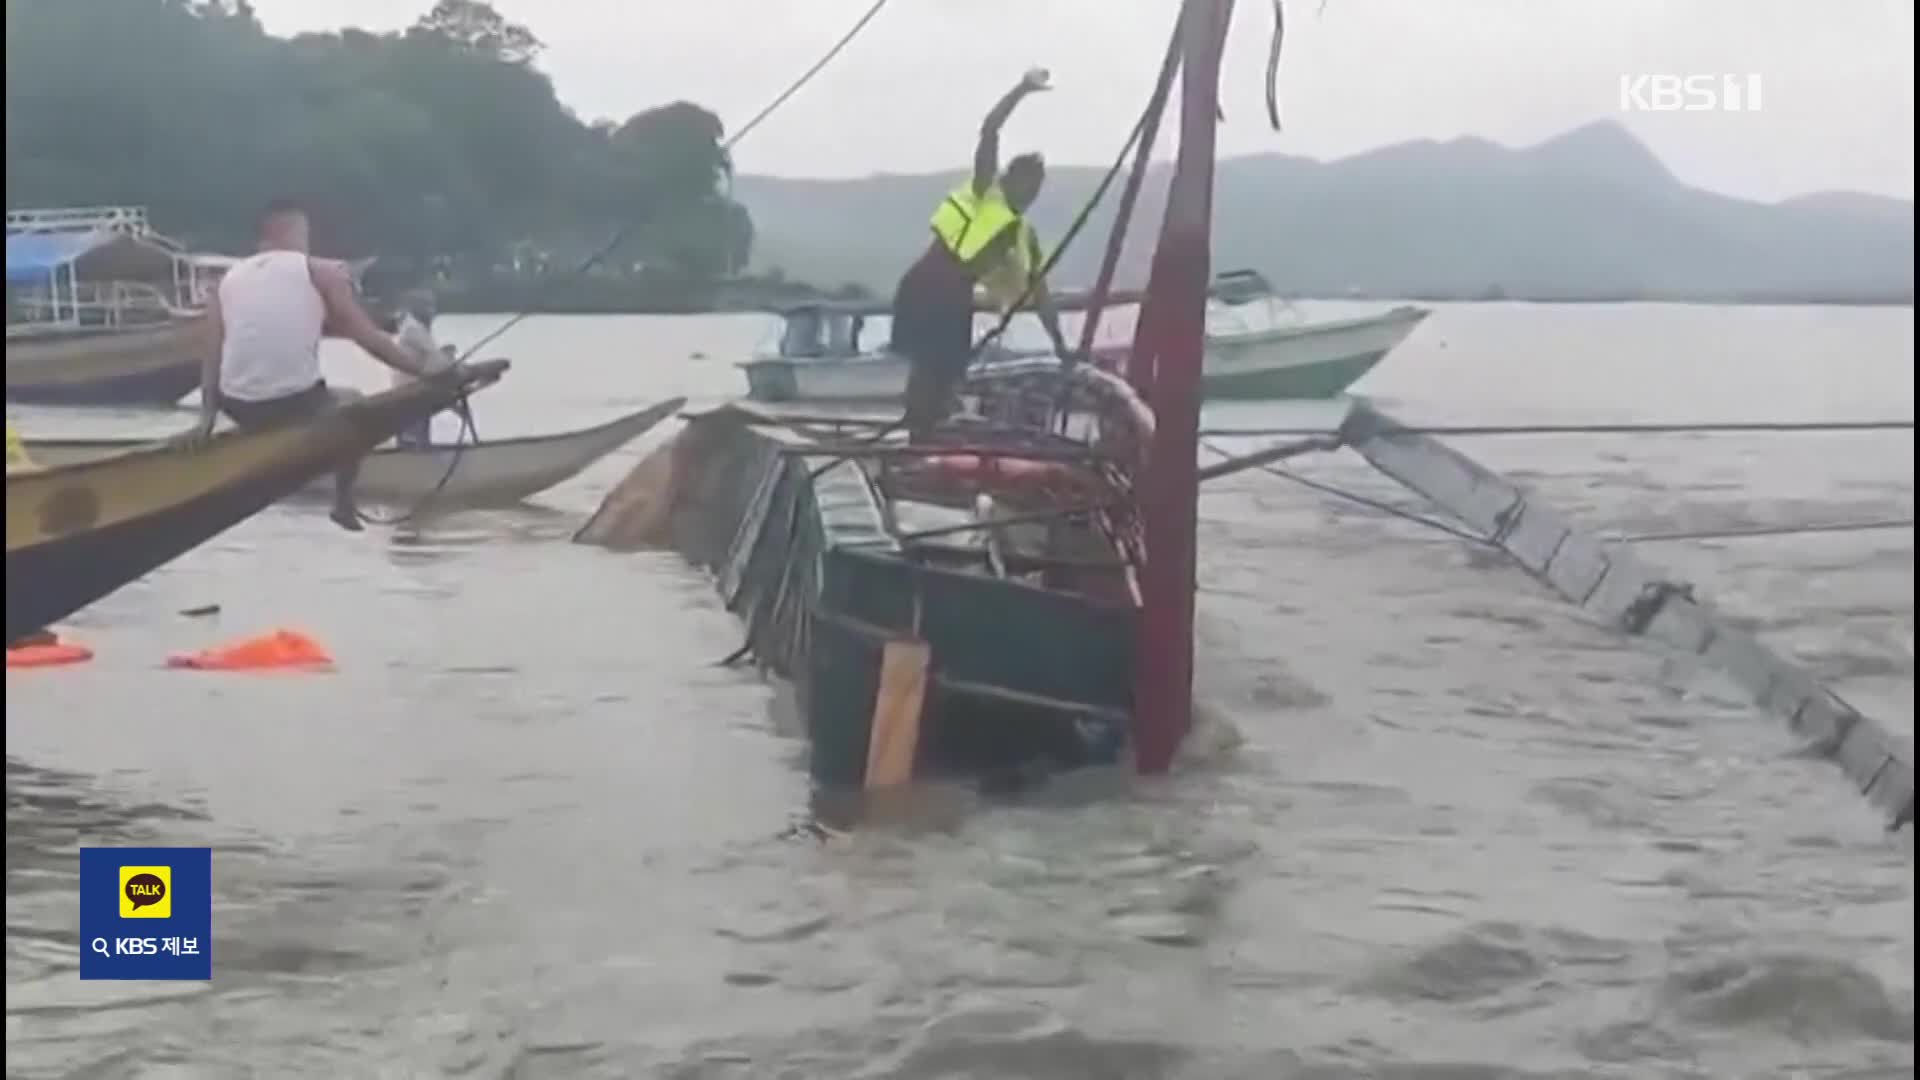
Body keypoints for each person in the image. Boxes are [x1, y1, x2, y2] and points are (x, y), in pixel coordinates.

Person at [180, 200, 438, 531]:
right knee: (354, 401)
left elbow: (212, 353)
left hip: (237, 406)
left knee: (311, 397)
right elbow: (368, 338)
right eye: (305, 232)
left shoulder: (226, 281)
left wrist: (206, 419)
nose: (308, 240)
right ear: (291, 233)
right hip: (295, 402)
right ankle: (343, 501)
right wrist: (424, 373)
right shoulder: (320, 271)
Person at [892, 68, 1076, 439]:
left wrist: (1062, 347)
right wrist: (1021, 90)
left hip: (954, 300)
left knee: (945, 382)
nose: (1033, 194)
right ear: (1012, 179)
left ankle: (929, 440)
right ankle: (918, 443)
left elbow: (1039, 294)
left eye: (1039, 188)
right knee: (928, 377)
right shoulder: (984, 191)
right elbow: (990, 129)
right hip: (927, 288)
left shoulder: (1023, 233)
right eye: (1030, 185)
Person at [387, 288, 451, 448]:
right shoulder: (413, 329)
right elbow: (438, 360)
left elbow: (430, 357)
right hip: (410, 392)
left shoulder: (415, 327)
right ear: (416, 308)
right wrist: (449, 358)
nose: (433, 310)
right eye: (428, 306)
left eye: (433, 305)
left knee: (416, 434)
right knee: (413, 438)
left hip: (415, 390)